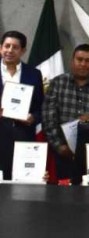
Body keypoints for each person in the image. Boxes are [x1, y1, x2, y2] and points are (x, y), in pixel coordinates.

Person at [42, 44, 89, 185]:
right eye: (79, 59)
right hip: (63, 154)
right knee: (63, 195)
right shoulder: (57, 83)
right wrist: (60, 146)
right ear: (72, 61)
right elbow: (48, 118)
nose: (83, 64)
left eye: (88, 61)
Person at [0, 31, 44, 181]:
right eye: (7, 46)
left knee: (22, 187)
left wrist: (33, 118)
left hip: (23, 138)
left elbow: (40, 107)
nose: (10, 50)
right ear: (0, 48)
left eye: (15, 47)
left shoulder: (34, 74)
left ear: (23, 51)